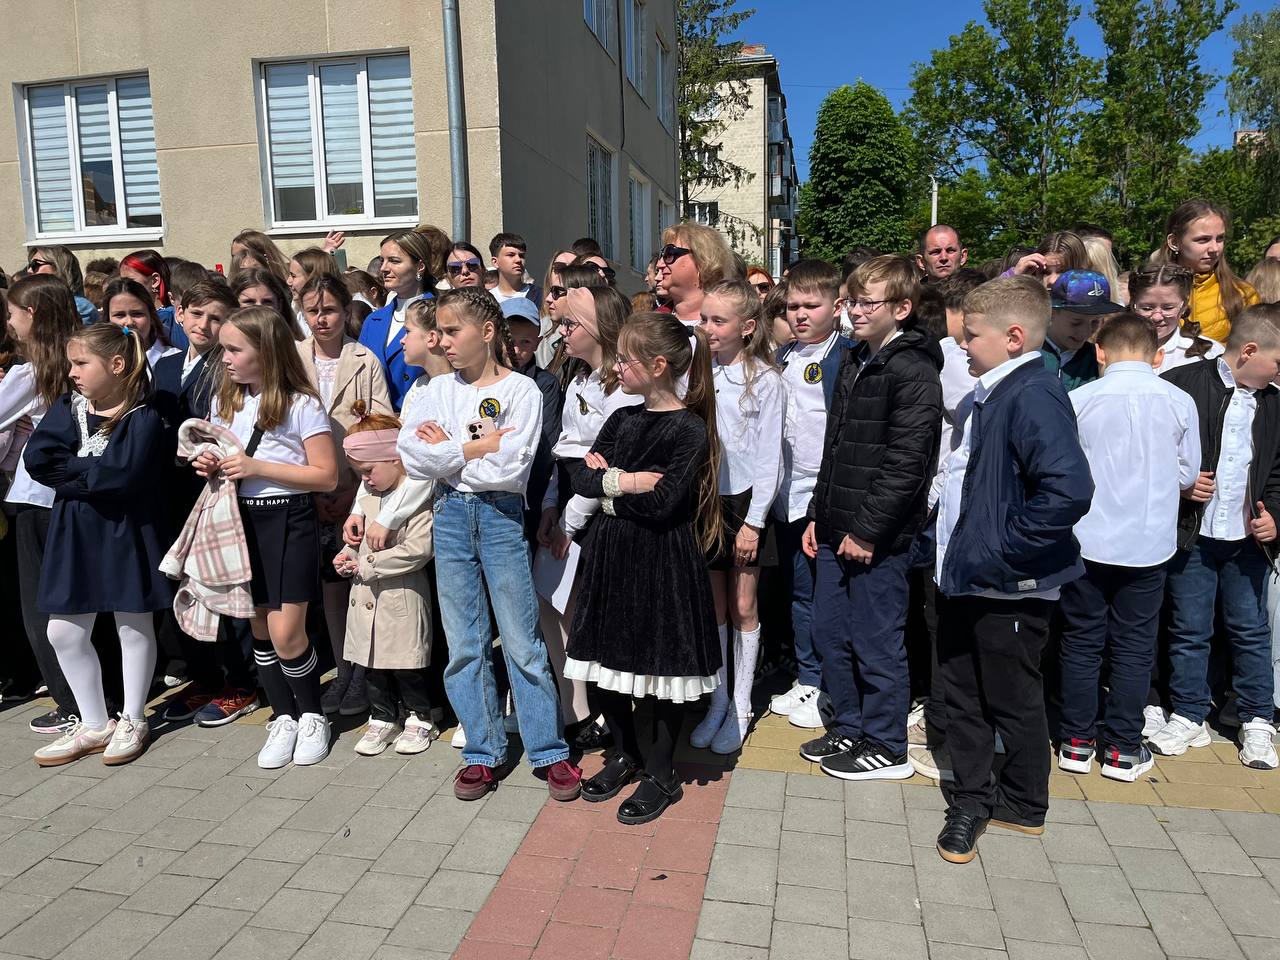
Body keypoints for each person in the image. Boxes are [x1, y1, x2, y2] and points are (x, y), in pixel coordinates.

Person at [396, 287, 581, 802]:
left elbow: (510, 467)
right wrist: (476, 447)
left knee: (522, 639)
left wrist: (450, 450)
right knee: (464, 642)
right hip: (450, 514)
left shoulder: (522, 390)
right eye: (439, 332)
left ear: (487, 331)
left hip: (501, 517)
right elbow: (412, 458)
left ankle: (548, 748)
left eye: (452, 331)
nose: (443, 341)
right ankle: (482, 749)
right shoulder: (434, 390)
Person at [933, 276, 1094, 864]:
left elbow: (1068, 489)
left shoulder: (1032, 393)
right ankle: (975, 798)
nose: (964, 344)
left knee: (1009, 696)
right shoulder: (994, 392)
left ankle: (1021, 802)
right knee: (964, 692)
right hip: (968, 577)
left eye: (973, 335)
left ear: (1014, 337)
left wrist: (1003, 552)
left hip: (1005, 585)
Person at [564, 312, 722, 823]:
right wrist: (628, 482)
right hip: (611, 556)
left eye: (626, 359)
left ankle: (660, 770)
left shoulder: (689, 428)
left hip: (662, 560)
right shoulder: (621, 419)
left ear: (657, 366)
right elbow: (582, 479)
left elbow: (666, 503)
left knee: (660, 668)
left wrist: (610, 484)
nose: (617, 366)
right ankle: (625, 752)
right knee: (606, 662)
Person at [799, 256, 942, 779]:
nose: (855, 311)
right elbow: (835, 447)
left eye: (867, 303)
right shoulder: (858, 358)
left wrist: (867, 530)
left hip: (878, 538)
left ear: (902, 308)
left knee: (876, 640)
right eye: (852, 301)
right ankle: (850, 724)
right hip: (836, 526)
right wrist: (818, 514)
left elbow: (908, 463)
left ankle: (886, 744)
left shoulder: (913, 369)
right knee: (831, 632)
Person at [1057, 314, 1200, 782]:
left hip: (1088, 540)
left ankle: (1076, 742)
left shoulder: (1079, 399)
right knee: (1135, 646)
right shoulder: (1179, 400)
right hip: (1148, 543)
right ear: (1157, 355)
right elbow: (1188, 474)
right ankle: (1121, 747)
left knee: (1081, 641)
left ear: (1100, 351)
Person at [197, 306, 339, 769]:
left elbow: (326, 475)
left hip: (288, 518)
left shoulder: (301, 404)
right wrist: (209, 463)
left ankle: (312, 714)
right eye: (224, 349)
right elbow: (223, 460)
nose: (225, 358)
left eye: (235, 349)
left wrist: (256, 466)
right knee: (257, 624)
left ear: (267, 351)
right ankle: (283, 716)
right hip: (240, 519)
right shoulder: (226, 402)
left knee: (286, 630)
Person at [27, 323, 172, 766]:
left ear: (117, 365)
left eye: (81, 363)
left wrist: (74, 471)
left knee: (132, 622)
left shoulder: (143, 416)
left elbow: (123, 476)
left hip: (125, 528)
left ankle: (133, 717)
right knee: (62, 631)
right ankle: (93, 721)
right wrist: (91, 470)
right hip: (74, 528)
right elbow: (38, 459)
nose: (71, 372)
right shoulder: (68, 407)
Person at [1151, 304, 1280, 770]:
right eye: (1277, 362)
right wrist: (1182, 485)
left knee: (1250, 629)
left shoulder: (1275, 404)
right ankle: (1189, 712)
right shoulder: (1182, 385)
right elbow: (1152, 451)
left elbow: (1278, 472)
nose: (1279, 372)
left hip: (1247, 540)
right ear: (1249, 351)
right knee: (1189, 627)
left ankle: (1257, 717)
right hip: (1195, 535)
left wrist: (1276, 518)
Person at [154, 281, 262, 728]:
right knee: (186, 586)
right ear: (179, 313)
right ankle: (204, 676)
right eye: (197, 314)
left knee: (224, 585)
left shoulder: (226, 366)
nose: (204, 324)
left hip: (214, 490)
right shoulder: (167, 363)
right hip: (170, 492)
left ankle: (242, 682)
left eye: (216, 317)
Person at [537, 286, 641, 747]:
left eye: (571, 323)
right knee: (554, 605)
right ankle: (575, 706)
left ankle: (602, 710)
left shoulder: (620, 387)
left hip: (597, 513)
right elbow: (564, 453)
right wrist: (550, 507)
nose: (562, 331)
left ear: (599, 329)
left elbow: (604, 464)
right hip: (568, 503)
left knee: (589, 613)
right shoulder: (578, 379)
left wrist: (569, 523)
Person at [689, 280, 783, 755]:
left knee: (744, 605)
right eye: (704, 319)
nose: (708, 328)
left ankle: (742, 705)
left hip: (746, 503)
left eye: (718, 321)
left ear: (746, 327)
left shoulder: (765, 379)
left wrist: (755, 521)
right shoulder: (697, 373)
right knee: (715, 607)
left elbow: (770, 459)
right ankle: (719, 699)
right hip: (707, 502)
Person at [297, 276, 394, 717]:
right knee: (328, 589)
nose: (322, 319)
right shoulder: (293, 357)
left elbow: (379, 426)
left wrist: (355, 489)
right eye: (313, 311)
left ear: (345, 311)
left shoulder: (363, 359)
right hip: (306, 488)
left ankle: (362, 677)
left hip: (355, 489)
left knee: (357, 580)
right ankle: (341, 668)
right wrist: (312, 487)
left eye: (330, 310)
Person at [907, 269, 985, 783]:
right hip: (940, 500)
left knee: (946, 617)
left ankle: (945, 720)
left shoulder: (959, 362)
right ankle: (940, 712)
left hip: (949, 503)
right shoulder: (949, 355)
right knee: (936, 615)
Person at [768, 260, 854, 729]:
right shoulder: (782, 356)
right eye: (792, 306)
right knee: (798, 591)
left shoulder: (846, 357)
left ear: (837, 306)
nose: (800, 315)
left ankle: (829, 683)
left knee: (825, 595)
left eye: (811, 305)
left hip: (826, 497)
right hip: (787, 493)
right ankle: (808, 675)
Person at [2, 275, 84, 734]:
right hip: (75, 495)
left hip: (35, 498)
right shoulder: (78, 360)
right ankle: (93, 696)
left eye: (12, 314)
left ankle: (69, 702)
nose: (9, 324)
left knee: (39, 607)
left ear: (32, 314)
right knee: (76, 603)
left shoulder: (29, 372)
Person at [334, 402, 438, 756]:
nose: (365, 480)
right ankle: (382, 715)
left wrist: (367, 564)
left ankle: (420, 716)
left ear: (396, 459)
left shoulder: (416, 497)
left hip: (401, 598)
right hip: (365, 598)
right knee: (371, 665)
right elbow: (357, 543)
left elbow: (418, 549)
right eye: (359, 473)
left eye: (369, 470)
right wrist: (347, 556)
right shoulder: (368, 498)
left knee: (407, 666)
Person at [1152, 199, 1259, 343]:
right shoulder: (1147, 290)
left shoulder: (1243, 294)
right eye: (1203, 240)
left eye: (1220, 239)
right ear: (1174, 242)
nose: (1214, 248)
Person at [502, 297, 561, 539]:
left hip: (526, 499)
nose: (516, 350)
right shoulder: (476, 378)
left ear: (537, 342)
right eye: (509, 340)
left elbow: (545, 446)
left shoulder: (545, 385)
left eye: (525, 342)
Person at [358, 231, 436, 410]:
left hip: (424, 416)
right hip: (377, 419)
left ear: (420, 266)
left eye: (394, 261)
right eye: (382, 260)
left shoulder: (440, 314)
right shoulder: (373, 321)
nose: (383, 268)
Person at [1127, 263, 1223, 374]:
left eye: (1168, 308)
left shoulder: (1209, 354)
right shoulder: (1114, 347)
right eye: (1147, 308)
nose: (1157, 317)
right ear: (1133, 305)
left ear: (1183, 306)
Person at [1043, 270, 1123, 391]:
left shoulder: (1098, 360)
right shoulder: (1028, 353)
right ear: (1052, 313)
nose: (1085, 332)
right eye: (1076, 322)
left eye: (1095, 322)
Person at [656, 222, 737, 323]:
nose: (659, 264)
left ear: (703, 260)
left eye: (669, 254)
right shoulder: (649, 324)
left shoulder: (733, 324)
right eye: (662, 255)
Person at [103, 277, 181, 369]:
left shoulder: (176, 360)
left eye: (137, 314)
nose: (129, 322)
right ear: (108, 320)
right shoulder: (99, 362)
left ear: (151, 317)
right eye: (119, 315)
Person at [120, 249, 188, 350]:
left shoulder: (169, 319)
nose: (123, 287)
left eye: (130, 281)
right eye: (122, 281)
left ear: (155, 281)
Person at [26, 246, 99, 323]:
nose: (29, 270)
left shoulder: (79, 307)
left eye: (35, 265)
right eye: (29, 265)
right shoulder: (31, 302)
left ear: (58, 268)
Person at [1004, 231, 1089, 288]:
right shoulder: (1029, 304)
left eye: (1063, 272)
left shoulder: (1092, 306)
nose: (1052, 281)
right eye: (1045, 272)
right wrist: (1012, 278)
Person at [232, 268, 297, 337]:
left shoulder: (294, 344)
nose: (259, 308)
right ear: (234, 304)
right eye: (249, 302)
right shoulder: (226, 342)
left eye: (267, 302)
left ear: (279, 305)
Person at [489, 233, 542, 305]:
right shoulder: (487, 300)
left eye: (521, 255)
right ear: (495, 262)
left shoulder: (540, 296)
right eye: (511, 255)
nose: (518, 260)